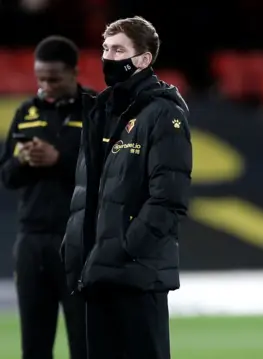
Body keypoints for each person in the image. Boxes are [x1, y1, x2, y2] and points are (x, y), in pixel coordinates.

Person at [61, 16, 192, 359]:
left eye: (118, 50)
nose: (108, 57)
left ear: (143, 60)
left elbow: (169, 198)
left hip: (136, 276)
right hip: (95, 274)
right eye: (105, 49)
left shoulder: (164, 114)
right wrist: (77, 247)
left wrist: (124, 248)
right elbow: (88, 194)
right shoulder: (101, 112)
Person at [0, 35, 91, 359]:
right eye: (40, 78)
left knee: (85, 342)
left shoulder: (96, 109)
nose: (45, 86)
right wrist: (23, 160)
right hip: (32, 241)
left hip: (80, 240)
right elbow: (7, 175)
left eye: (53, 78)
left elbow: (110, 171)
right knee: (34, 345)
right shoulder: (26, 112)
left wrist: (60, 159)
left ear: (73, 72)